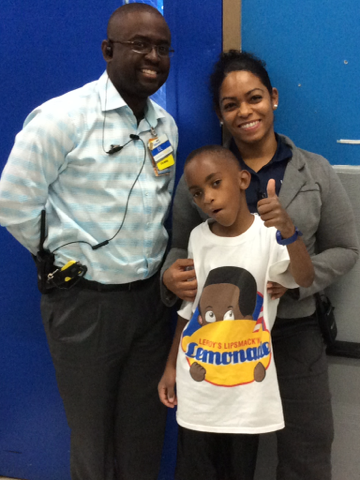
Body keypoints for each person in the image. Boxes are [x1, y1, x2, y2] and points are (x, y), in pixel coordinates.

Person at [161, 51, 359, 480]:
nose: (245, 112)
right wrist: (170, 276)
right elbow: (179, 247)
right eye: (231, 105)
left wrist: (295, 285)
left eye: (254, 98)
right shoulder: (204, 173)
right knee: (218, 454)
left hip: (295, 333)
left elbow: (346, 248)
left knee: (306, 448)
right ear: (219, 113)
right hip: (221, 338)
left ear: (272, 98)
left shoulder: (316, 171)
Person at [0, 4, 178, 480]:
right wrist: (61, 259)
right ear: (108, 50)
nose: (153, 56)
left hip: (150, 303)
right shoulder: (62, 117)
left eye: (162, 48)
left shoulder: (165, 126)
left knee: (143, 435)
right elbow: (12, 203)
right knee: (93, 441)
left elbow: (159, 202)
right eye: (140, 44)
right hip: (85, 305)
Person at [158, 145, 314, 480]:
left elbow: (304, 277)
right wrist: (171, 365)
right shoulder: (198, 237)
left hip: (247, 394)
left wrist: (288, 230)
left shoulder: (269, 235)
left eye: (216, 184)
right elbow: (190, 311)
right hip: (199, 386)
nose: (208, 199)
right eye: (198, 193)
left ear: (243, 180)